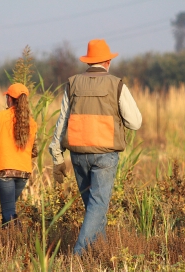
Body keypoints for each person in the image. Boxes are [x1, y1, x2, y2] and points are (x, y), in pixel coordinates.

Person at [49, 39, 142, 255]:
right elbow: (135, 122)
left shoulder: (72, 83)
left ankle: (101, 251)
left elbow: (62, 122)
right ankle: (79, 256)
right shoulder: (116, 84)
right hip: (105, 156)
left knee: (94, 208)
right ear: (108, 62)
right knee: (98, 206)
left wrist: (57, 157)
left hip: (78, 155)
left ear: (88, 62)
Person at [0, 83, 37, 228]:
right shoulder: (31, 123)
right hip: (23, 173)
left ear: (10, 99)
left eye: (7, 96)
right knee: (9, 210)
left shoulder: (0, 118)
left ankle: (16, 237)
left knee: (9, 213)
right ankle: (9, 240)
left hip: (5, 171)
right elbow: (34, 151)